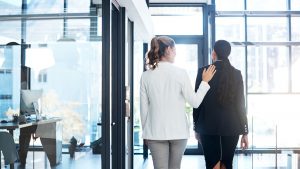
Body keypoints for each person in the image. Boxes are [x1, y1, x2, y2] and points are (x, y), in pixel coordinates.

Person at [140, 36, 216, 169]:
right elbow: (195, 102)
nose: (176, 53)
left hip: (155, 132)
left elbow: (144, 108)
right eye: (174, 50)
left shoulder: (146, 76)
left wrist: (145, 132)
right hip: (178, 131)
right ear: (168, 49)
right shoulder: (181, 73)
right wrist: (205, 82)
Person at [193, 40, 249, 169]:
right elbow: (241, 105)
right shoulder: (236, 73)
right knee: (226, 164)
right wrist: (245, 131)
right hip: (232, 127)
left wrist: (196, 126)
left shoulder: (203, 71)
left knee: (212, 164)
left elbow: (197, 102)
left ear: (214, 53)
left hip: (207, 126)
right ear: (228, 54)